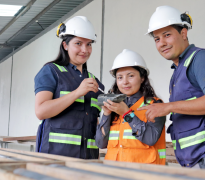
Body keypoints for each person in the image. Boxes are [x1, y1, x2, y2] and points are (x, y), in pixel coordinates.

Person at [138, 6, 205, 171]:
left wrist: (168, 107)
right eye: (157, 39)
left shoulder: (202, 58)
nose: (162, 43)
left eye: (167, 35)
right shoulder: (179, 72)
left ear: (183, 33)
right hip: (198, 160)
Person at [34, 16, 104, 159]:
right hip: (55, 159)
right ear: (65, 45)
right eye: (78, 43)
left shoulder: (94, 81)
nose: (85, 50)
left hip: (88, 160)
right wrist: (77, 92)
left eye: (89, 44)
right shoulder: (51, 71)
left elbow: (95, 121)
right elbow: (41, 111)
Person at [95, 49, 166, 165]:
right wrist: (107, 114)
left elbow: (150, 138)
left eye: (131, 76)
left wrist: (127, 113)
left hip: (143, 174)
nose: (125, 82)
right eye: (120, 77)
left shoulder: (155, 105)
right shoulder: (114, 106)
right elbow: (100, 143)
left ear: (142, 78)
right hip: (114, 173)